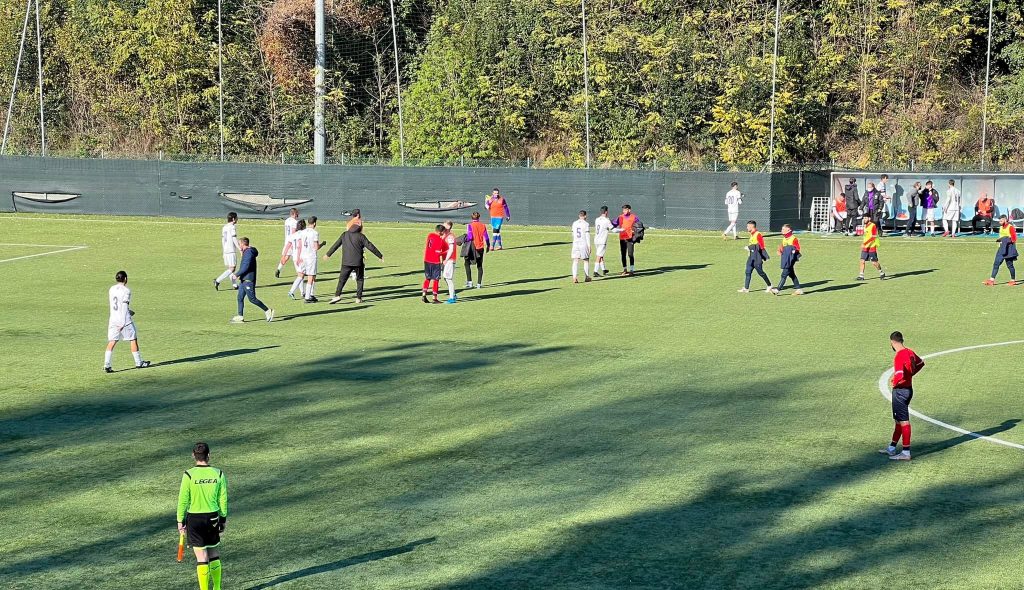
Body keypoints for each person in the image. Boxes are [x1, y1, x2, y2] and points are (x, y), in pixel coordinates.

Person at [177, 442, 228, 590]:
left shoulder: (188, 475)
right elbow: (222, 499)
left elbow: (183, 500)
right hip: (212, 518)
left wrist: (180, 520)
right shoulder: (218, 473)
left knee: (201, 558)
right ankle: (217, 588)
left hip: (194, 520)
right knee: (213, 553)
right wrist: (223, 519)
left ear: (194, 455)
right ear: (209, 455)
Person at [880, 332, 924, 461]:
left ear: (892, 342)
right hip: (908, 389)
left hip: (900, 391)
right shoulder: (910, 352)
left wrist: (895, 381)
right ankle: (892, 447)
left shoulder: (899, 356)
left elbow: (899, 374)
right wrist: (910, 375)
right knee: (898, 420)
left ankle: (905, 452)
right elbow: (921, 363)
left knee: (904, 421)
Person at [324, 221, 383, 304]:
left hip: (346, 262)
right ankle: (358, 298)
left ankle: (337, 296)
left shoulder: (344, 234)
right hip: (358, 262)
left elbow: (336, 245)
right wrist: (379, 255)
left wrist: (328, 254)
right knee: (359, 279)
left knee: (342, 280)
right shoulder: (361, 236)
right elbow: (370, 246)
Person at [104, 270, 150, 372]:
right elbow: (124, 306)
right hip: (124, 320)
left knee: (112, 341)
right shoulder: (126, 291)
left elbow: (116, 304)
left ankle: (107, 364)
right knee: (133, 339)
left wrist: (128, 311)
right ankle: (139, 362)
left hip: (113, 319)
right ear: (125, 279)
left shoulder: (111, 289)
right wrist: (123, 322)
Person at [230, 237, 274, 323]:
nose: (239, 246)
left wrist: (237, 274)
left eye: (239, 244)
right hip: (244, 280)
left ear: (243, 244)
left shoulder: (248, 253)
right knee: (240, 297)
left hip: (248, 280)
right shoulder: (248, 251)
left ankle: (268, 310)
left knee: (252, 299)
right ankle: (240, 316)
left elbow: (246, 266)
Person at [984, 215, 1018, 286]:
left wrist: (1005, 239)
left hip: (1009, 249)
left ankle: (1013, 280)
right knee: (996, 263)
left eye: (1001, 221)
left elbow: (1014, 239)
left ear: (1005, 220)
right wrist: (1000, 240)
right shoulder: (1001, 227)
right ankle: (991, 280)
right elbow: (1001, 237)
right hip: (1001, 249)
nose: (999, 222)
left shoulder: (1010, 227)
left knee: (1010, 265)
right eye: (999, 221)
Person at [738, 220, 771, 293]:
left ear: (751, 226)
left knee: (761, 273)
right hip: (751, 257)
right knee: (748, 271)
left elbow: (761, 246)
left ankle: (769, 285)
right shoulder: (752, 234)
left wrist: (750, 247)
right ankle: (746, 288)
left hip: (757, 257)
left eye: (747, 226)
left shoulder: (758, 234)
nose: (746, 228)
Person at [770, 224, 803, 295]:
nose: (781, 231)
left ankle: (778, 289)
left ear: (789, 230)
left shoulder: (794, 238)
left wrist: (794, 251)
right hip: (786, 258)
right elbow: (782, 246)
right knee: (791, 274)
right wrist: (780, 250)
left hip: (791, 259)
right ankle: (798, 289)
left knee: (784, 274)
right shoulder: (784, 238)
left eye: (783, 229)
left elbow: (797, 248)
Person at [612, 204, 641, 275]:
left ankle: (631, 269)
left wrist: (636, 232)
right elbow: (613, 224)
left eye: (625, 209)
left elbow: (639, 226)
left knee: (630, 254)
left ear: (629, 210)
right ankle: (625, 269)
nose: (624, 211)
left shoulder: (634, 217)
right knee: (623, 254)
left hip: (630, 238)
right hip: (622, 238)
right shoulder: (620, 217)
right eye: (623, 210)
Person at [214, 212, 240, 290]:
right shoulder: (232, 227)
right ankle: (218, 280)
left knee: (230, 268)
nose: (237, 219)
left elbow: (223, 240)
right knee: (232, 268)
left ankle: (234, 285)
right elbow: (234, 238)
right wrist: (239, 248)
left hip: (226, 250)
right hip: (231, 250)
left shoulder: (224, 227)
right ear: (233, 219)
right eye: (236, 218)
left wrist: (223, 250)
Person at [857, 214, 886, 281]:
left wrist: (865, 243)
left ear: (869, 218)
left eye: (866, 218)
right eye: (864, 218)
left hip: (871, 247)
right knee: (862, 260)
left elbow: (873, 237)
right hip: (865, 247)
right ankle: (861, 275)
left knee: (874, 262)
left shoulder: (873, 225)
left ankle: (881, 272)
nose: (864, 219)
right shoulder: (865, 226)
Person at [464, 212, 489, 288]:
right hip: (480, 248)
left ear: (472, 218)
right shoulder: (483, 225)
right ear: (479, 217)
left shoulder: (470, 226)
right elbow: (486, 237)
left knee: (467, 264)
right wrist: (488, 246)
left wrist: (465, 238)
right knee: (479, 265)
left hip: (472, 248)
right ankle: (479, 284)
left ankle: (470, 282)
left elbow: (470, 237)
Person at [422, 225, 445, 303]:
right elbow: (438, 252)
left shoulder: (430, 235)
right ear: (440, 232)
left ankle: (424, 294)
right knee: (436, 279)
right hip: (435, 262)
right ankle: (434, 298)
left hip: (427, 260)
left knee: (427, 278)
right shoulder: (440, 240)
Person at [300, 216, 321, 302]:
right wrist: (322, 244)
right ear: (315, 223)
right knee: (311, 276)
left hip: (303, 255)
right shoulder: (314, 233)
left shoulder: (303, 232)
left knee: (311, 275)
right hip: (311, 256)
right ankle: (307, 296)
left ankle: (311, 294)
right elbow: (316, 247)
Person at [275, 208, 300, 278]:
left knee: (286, 257)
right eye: (297, 213)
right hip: (292, 242)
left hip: (287, 241)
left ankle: (278, 269)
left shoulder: (287, 220)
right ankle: (300, 272)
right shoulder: (295, 222)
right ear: (294, 214)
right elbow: (293, 232)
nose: (298, 215)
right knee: (297, 256)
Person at [286, 220, 308, 300]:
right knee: (301, 275)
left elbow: (288, 245)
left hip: (294, 257)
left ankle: (302, 292)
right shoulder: (303, 235)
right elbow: (299, 246)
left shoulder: (293, 235)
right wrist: (299, 257)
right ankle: (291, 291)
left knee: (300, 275)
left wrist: (284, 255)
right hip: (300, 257)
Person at [571, 210, 592, 283]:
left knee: (575, 260)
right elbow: (587, 235)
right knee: (586, 260)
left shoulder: (574, 223)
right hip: (583, 243)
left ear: (579, 216)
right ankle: (586, 276)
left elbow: (573, 234)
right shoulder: (586, 224)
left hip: (575, 243)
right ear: (585, 216)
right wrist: (589, 246)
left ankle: (574, 277)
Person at [593, 206, 614, 276]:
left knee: (600, 255)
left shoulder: (597, 219)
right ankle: (595, 271)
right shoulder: (607, 220)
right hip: (602, 241)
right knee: (599, 256)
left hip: (596, 239)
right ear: (606, 212)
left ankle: (604, 270)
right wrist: (622, 230)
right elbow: (613, 229)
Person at [441, 221, 458, 303]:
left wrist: (446, 259)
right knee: (445, 277)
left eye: (444, 226)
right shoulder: (445, 235)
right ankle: (453, 294)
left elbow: (451, 249)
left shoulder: (450, 236)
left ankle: (452, 297)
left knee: (448, 278)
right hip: (447, 260)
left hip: (450, 260)